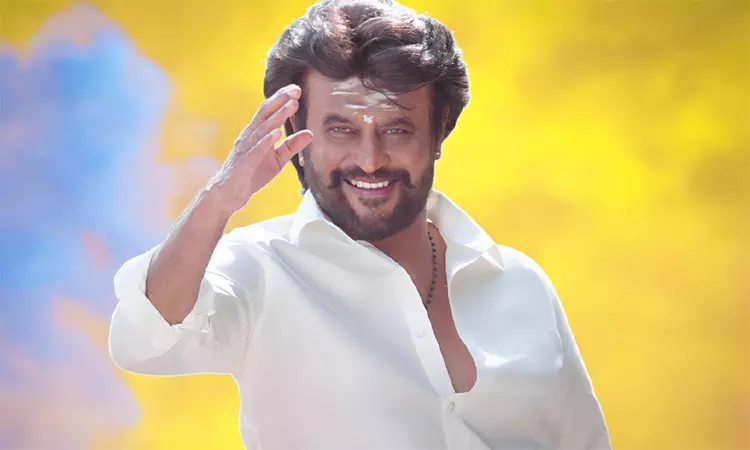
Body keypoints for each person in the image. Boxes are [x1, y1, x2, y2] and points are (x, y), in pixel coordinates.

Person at [108, 0, 611, 448]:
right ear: (297, 133)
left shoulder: (520, 282)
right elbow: (147, 337)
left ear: (439, 131)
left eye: (396, 129)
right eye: (340, 129)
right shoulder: (261, 268)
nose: (369, 161)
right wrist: (219, 199)